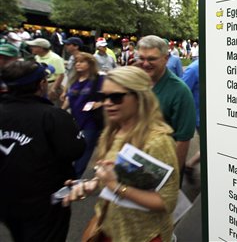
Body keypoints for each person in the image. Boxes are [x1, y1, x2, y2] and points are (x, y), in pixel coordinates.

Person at [63, 66, 179, 242]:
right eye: (104, 97)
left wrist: (115, 186)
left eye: (116, 97)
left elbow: (165, 202)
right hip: (108, 228)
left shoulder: (157, 141)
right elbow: (120, 176)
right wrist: (92, 184)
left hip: (143, 235)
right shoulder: (112, 131)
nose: (107, 103)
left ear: (140, 98)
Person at [0, 61, 85, 242]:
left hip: (6, 200)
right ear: (41, 84)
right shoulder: (53, 116)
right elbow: (74, 150)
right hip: (45, 201)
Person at [136, 35, 195, 174]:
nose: (145, 63)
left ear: (166, 59)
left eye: (151, 59)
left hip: (160, 168)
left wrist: (172, 176)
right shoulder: (135, 82)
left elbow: (183, 139)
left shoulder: (180, 91)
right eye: (142, 58)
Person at [61, 52, 104, 178]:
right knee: (73, 148)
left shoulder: (98, 79)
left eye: (82, 62)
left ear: (90, 64)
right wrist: (61, 111)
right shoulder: (74, 80)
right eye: (76, 62)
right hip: (75, 121)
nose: (78, 64)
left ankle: (75, 177)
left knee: (85, 149)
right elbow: (69, 99)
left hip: (91, 121)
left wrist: (100, 103)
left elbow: (108, 96)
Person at [26, 38, 66, 106]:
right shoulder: (37, 57)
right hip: (39, 85)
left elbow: (61, 75)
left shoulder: (56, 58)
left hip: (50, 85)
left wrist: (53, 88)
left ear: (41, 48)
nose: (31, 48)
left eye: (33, 46)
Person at [181, 59, 200, 182]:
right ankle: (189, 165)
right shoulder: (193, 69)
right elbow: (182, 92)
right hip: (200, 118)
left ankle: (189, 165)